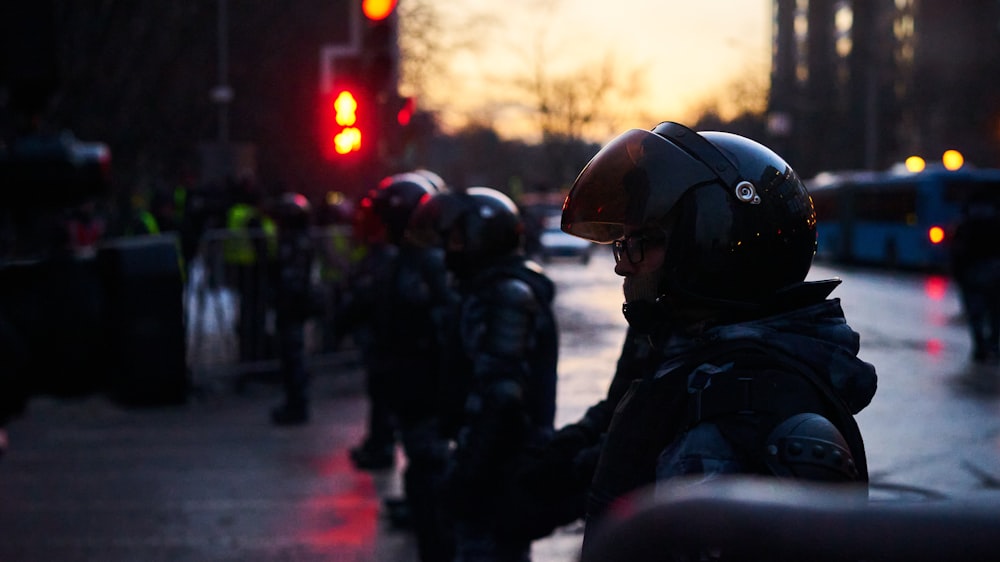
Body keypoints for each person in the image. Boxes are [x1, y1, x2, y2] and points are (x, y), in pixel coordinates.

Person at [558, 121, 878, 557]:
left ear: (709, 243)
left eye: (641, 243)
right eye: (623, 244)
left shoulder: (731, 411)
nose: (622, 266)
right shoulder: (703, 368)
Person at [408, 186, 560, 562]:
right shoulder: (488, 290)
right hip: (491, 469)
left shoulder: (506, 296)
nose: (448, 250)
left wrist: (466, 480)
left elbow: (502, 398)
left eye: (456, 239)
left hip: (498, 474)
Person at [269, 192, 316, 425]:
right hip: (291, 305)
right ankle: (294, 402)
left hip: (293, 305)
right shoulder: (296, 240)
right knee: (290, 356)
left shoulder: (296, 242)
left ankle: (297, 405)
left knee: (294, 356)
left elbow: (292, 278)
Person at [949, 191, 1000, 364]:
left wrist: (959, 275)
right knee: (994, 314)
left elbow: (957, 253)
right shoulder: (995, 223)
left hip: (972, 277)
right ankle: (993, 344)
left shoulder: (966, 225)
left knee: (976, 314)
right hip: (994, 277)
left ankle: (980, 347)